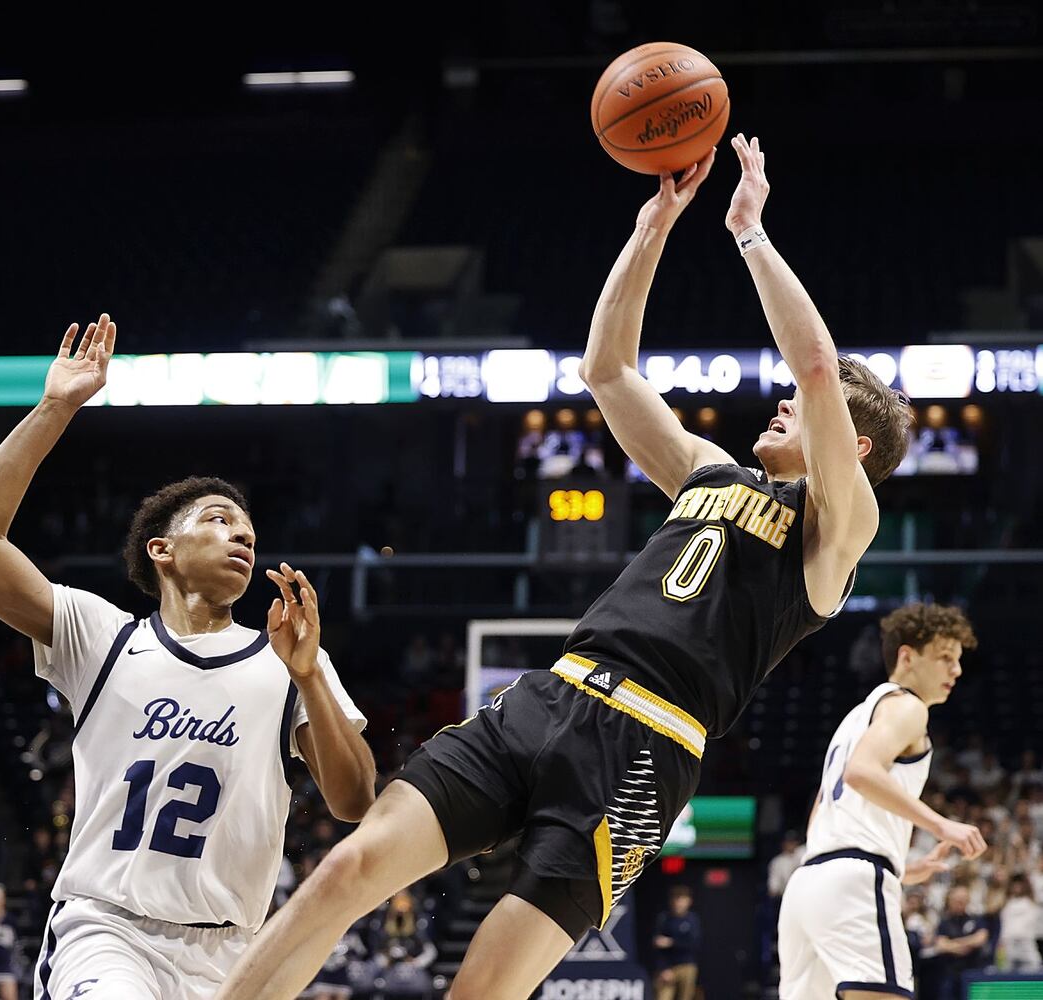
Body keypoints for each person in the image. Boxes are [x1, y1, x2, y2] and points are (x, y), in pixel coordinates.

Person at [214, 133, 916, 1000]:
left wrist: (748, 231)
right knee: (344, 872)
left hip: (645, 753)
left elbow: (812, 368)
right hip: (548, 696)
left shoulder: (837, 531)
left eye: (806, 410)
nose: (780, 403)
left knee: (483, 990)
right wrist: (652, 226)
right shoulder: (706, 472)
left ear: (849, 447)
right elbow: (607, 369)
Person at [0, 317, 375, 1000]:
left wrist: (311, 675)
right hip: (107, 928)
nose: (243, 534)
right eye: (216, 519)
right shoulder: (100, 635)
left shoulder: (288, 659)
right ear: (161, 551)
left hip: (232, 948)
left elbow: (352, 802)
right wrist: (56, 408)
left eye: (247, 528)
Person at [778, 602, 984, 999]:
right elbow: (861, 772)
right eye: (945, 658)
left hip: (807, 885)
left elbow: (820, 819)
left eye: (958, 661)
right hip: (854, 881)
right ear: (907, 656)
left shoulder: (855, 719)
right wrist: (943, 825)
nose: (956, 671)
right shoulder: (908, 707)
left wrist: (901, 866)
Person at [932, 885, 991, 1000]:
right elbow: (941, 945)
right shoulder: (944, 922)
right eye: (956, 900)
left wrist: (954, 943)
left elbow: (981, 938)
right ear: (950, 901)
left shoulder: (975, 918)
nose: (959, 903)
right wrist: (968, 942)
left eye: (963, 900)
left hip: (972, 971)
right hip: (949, 974)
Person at [652, 886, 700, 1000]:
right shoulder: (664, 918)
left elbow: (694, 943)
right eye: (676, 899)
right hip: (667, 968)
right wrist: (664, 968)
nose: (679, 903)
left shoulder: (692, 919)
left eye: (682, 900)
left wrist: (671, 942)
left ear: (689, 901)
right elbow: (658, 945)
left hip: (687, 966)